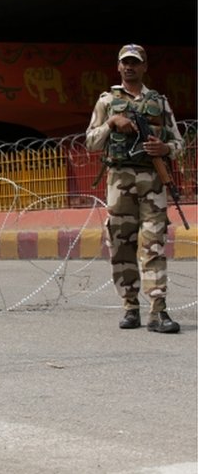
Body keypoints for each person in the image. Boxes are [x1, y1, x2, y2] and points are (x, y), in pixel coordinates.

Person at [85, 44, 185, 333]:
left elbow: (179, 144)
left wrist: (164, 146)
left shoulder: (160, 103)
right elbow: (91, 141)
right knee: (121, 245)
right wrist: (112, 124)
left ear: (144, 67)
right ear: (118, 67)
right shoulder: (106, 101)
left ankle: (158, 310)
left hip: (153, 182)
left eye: (135, 63)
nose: (129, 67)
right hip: (119, 181)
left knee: (154, 244)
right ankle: (130, 307)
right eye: (125, 62)